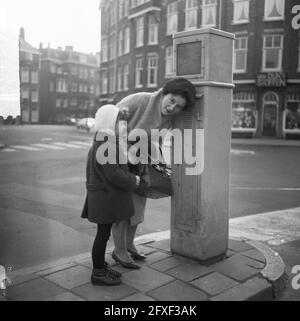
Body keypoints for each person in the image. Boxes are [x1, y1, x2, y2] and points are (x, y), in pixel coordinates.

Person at [111, 77, 196, 269]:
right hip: (116, 160)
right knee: (122, 208)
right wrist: (126, 145)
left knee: (137, 207)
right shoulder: (139, 100)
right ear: (165, 92)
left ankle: (130, 244)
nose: (172, 108)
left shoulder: (170, 116)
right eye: (171, 100)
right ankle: (119, 250)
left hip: (140, 162)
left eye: (179, 107)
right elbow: (108, 122)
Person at [81, 105, 142, 285]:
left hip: (103, 196)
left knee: (104, 233)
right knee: (102, 235)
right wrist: (134, 180)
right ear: (109, 122)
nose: (121, 126)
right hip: (105, 198)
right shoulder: (107, 143)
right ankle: (98, 272)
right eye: (118, 122)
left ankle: (101, 266)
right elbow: (113, 174)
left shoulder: (102, 139)